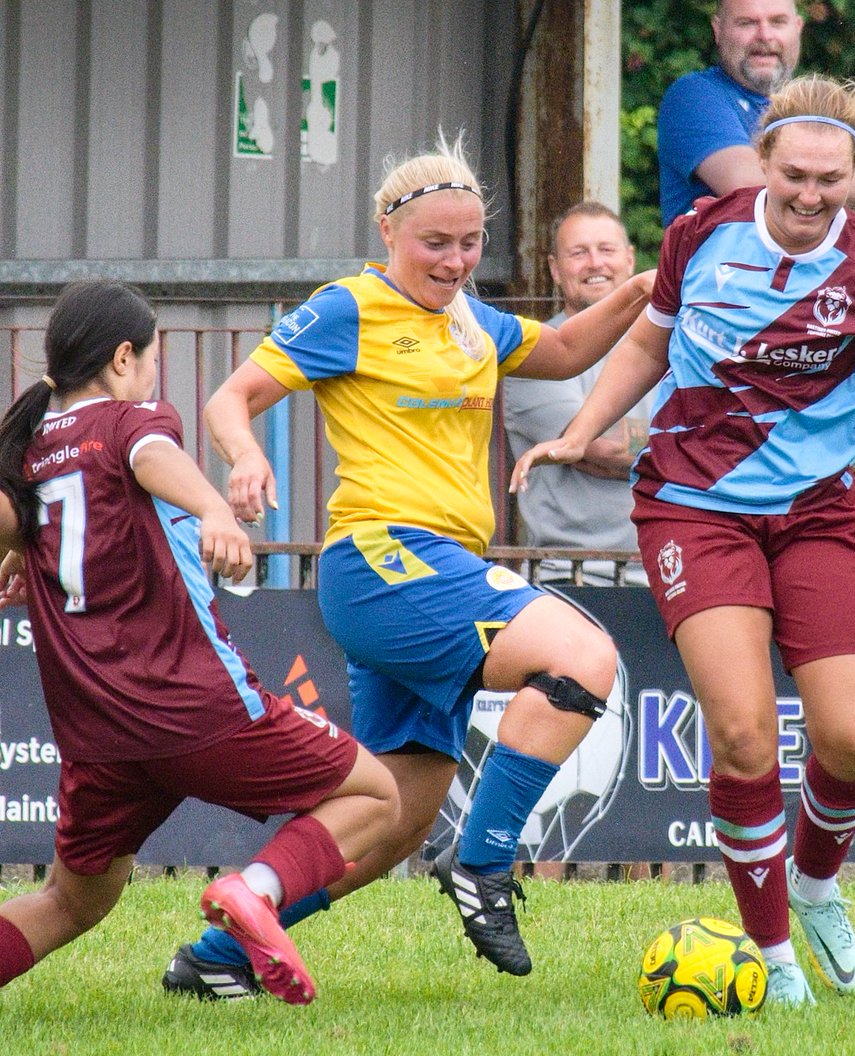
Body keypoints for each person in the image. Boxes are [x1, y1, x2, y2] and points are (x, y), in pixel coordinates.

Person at [513, 74, 855, 1007]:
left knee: (853, 745)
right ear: (762, 162)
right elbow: (646, 344)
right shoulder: (701, 234)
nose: (810, 195)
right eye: (794, 174)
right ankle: (768, 953)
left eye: (830, 180)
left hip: (817, 515)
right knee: (744, 732)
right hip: (694, 504)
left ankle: (813, 885)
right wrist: (580, 426)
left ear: (853, 175)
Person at [160, 135, 654, 997]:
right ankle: (486, 864)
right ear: (390, 232)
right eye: (437, 243)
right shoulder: (349, 306)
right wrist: (243, 458)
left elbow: (570, 351)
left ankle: (223, 950)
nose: (456, 261)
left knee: (393, 815)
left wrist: (648, 287)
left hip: (431, 572)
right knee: (583, 657)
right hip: (385, 561)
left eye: (470, 244)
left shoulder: (471, 320)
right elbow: (227, 398)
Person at [0, 280, 400, 1006]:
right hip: (190, 708)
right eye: (150, 358)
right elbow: (151, 454)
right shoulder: (130, 420)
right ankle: (254, 891)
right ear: (125, 357)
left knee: (70, 902)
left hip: (96, 737)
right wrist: (214, 504)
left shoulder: (28, 454)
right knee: (376, 794)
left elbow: (35, 520)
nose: (153, 374)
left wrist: (27, 552)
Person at [503, 202, 653, 586]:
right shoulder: (534, 356)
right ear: (555, 269)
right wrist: (684, 447)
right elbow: (597, 449)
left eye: (606, 250)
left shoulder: (675, 343)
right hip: (572, 576)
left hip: (668, 571)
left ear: (630, 259)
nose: (594, 263)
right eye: (578, 253)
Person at [657, 0, 855, 228]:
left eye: (777, 22)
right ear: (718, 30)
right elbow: (746, 184)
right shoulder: (695, 95)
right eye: (747, 23)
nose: (765, 35)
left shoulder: (811, 100)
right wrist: (833, 175)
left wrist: (797, 178)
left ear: (797, 28)